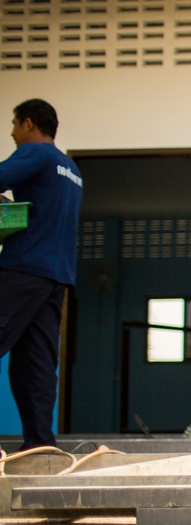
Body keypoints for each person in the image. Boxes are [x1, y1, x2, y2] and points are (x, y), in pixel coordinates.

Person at [0, 99, 83, 451]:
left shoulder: (36, 153)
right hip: (56, 277)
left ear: (30, 124)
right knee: (35, 364)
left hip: (23, 269)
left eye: (15, 125)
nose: (12, 133)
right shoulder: (71, 168)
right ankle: (40, 446)